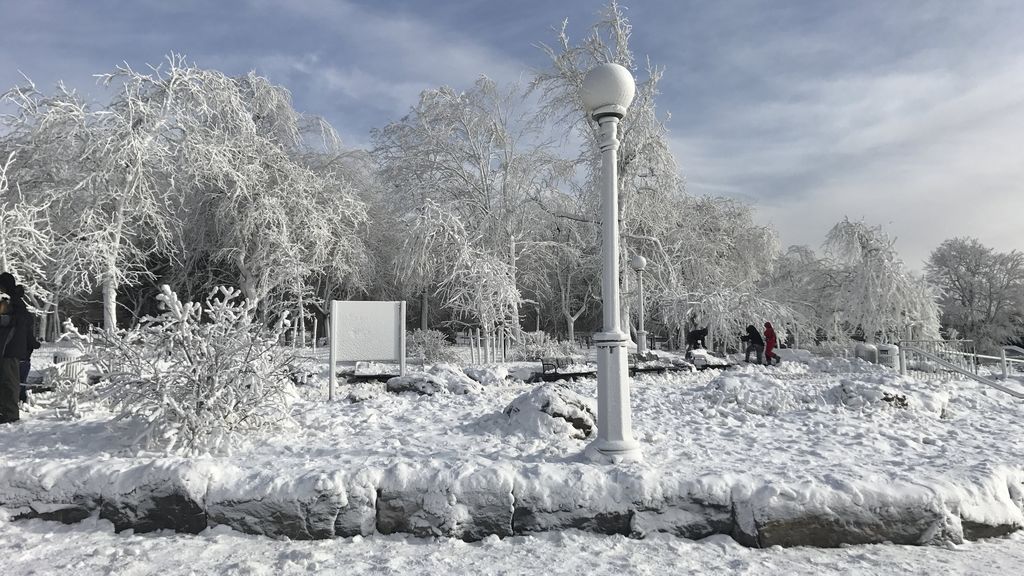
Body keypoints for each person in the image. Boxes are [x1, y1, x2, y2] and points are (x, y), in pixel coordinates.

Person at [0, 272, 34, 423]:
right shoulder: (14, 301)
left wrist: (7, 320)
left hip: (10, 348)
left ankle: (11, 414)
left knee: (9, 381)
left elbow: (21, 321)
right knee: (7, 381)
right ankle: (6, 411)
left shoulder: (12, 301)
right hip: (9, 348)